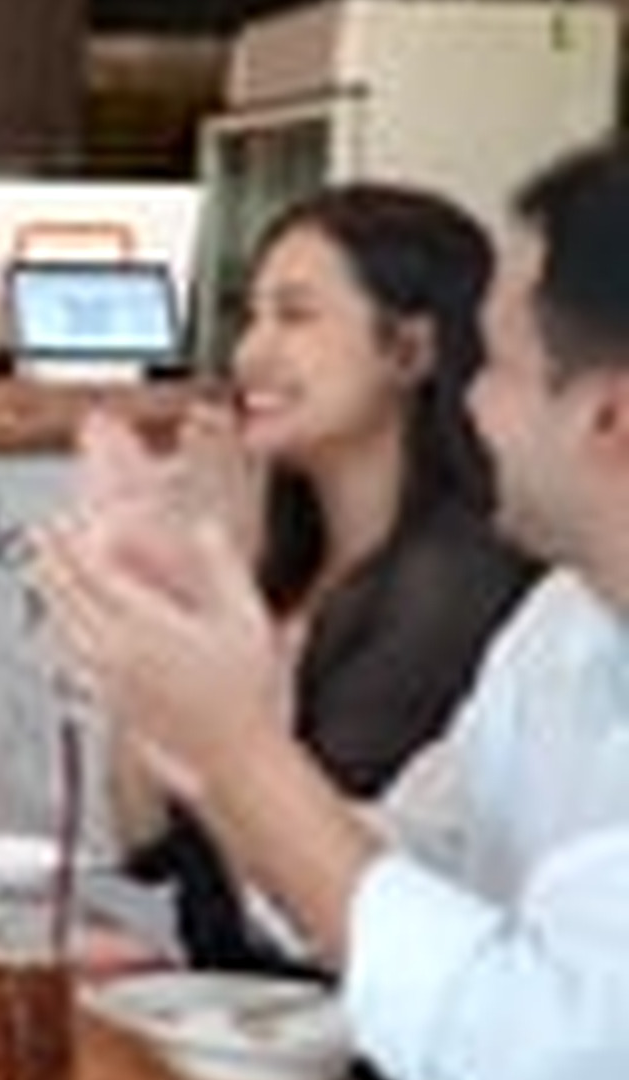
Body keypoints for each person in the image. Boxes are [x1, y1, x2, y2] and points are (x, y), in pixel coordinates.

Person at [38, 139, 629, 1080]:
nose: (475, 401)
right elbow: (407, 859)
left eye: (499, 368)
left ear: (608, 418)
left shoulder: (459, 589)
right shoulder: (564, 624)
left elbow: (526, 1042)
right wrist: (203, 718)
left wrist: (240, 748)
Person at [110, 185, 539, 969]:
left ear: (412, 350)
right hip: (217, 1016)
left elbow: (309, 912)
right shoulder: (281, 551)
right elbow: (146, 841)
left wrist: (220, 581)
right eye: (250, 316)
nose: (249, 354)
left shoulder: (455, 584)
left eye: (296, 316)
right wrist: (170, 583)